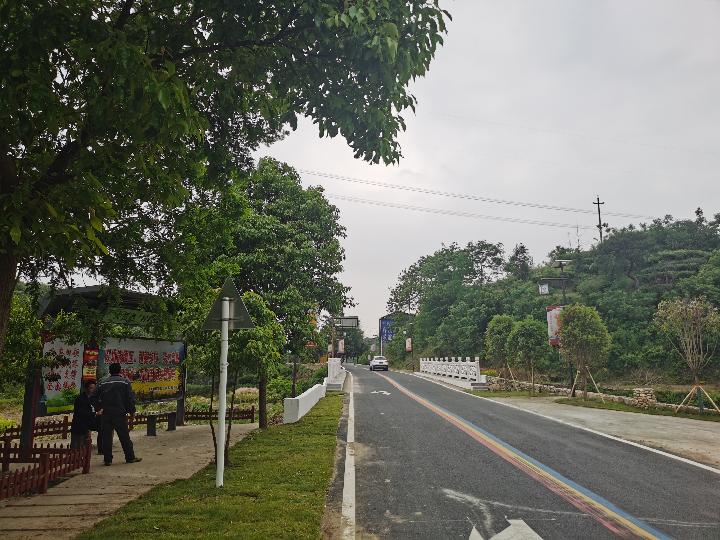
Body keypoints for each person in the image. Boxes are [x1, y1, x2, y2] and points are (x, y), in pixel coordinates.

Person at [97, 363, 142, 465]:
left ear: (109, 371)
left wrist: (99, 408)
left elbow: (94, 396)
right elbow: (130, 398)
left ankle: (107, 460)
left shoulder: (102, 383)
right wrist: (132, 411)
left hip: (106, 414)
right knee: (124, 436)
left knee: (106, 437)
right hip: (119, 413)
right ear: (120, 370)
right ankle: (130, 457)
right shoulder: (125, 382)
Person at [70, 380, 101, 449]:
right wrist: (95, 413)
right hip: (79, 425)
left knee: (84, 445)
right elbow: (81, 412)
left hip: (87, 425)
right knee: (77, 446)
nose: (93, 390)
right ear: (86, 388)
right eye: (91, 388)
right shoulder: (80, 399)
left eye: (94, 388)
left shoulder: (93, 398)